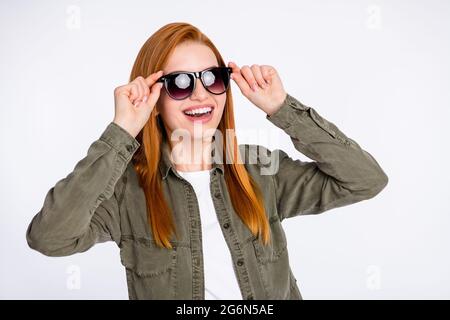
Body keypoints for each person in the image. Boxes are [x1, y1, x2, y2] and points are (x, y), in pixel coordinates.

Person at [26, 22, 389, 300]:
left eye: (213, 78)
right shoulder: (126, 191)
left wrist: (282, 109)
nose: (201, 93)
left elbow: (366, 180)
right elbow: (49, 238)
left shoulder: (259, 170)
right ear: (153, 97)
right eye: (180, 83)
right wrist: (122, 130)